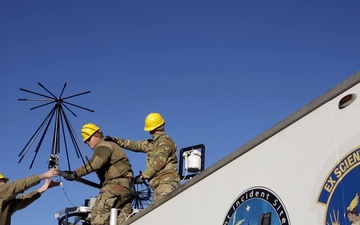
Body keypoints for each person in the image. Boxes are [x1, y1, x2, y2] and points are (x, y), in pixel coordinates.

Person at [60, 123, 134, 225]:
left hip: (117, 185)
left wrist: (75, 173)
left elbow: (95, 164)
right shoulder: (111, 145)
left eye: (88, 139)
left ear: (97, 136)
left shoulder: (103, 146)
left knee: (98, 213)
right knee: (123, 220)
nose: (86, 142)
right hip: (127, 187)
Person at [105, 112, 180, 203]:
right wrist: (116, 140)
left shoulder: (165, 142)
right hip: (159, 184)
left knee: (162, 210)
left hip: (166, 182)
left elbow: (159, 162)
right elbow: (135, 145)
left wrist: (143, 176)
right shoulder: (152, 143)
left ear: (150, 129)